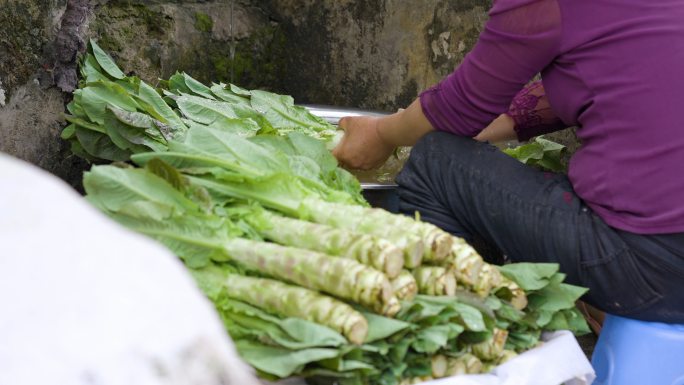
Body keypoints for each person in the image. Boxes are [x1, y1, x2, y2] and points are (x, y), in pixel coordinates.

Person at [332, 0, 684, 324]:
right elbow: (596, 75)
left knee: (433, 160)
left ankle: (459, 331)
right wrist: (469, 129)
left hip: (653, 263)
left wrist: (381, 134)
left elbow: (459, 106)